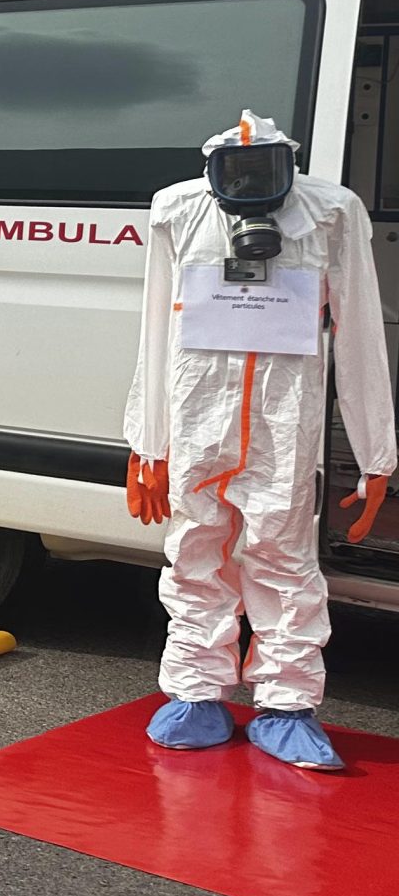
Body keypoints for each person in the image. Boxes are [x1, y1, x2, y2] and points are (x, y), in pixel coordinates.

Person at [124, 111, 393, 771]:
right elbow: (154, 326)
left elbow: (360, 328)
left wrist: (375, 454)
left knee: (285, 554)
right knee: (193, 549)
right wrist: (148, 443)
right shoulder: (178, 209)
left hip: (285, 418)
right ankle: (195, 693)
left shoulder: (331, 211)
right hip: (198, 414)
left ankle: (287, 706)